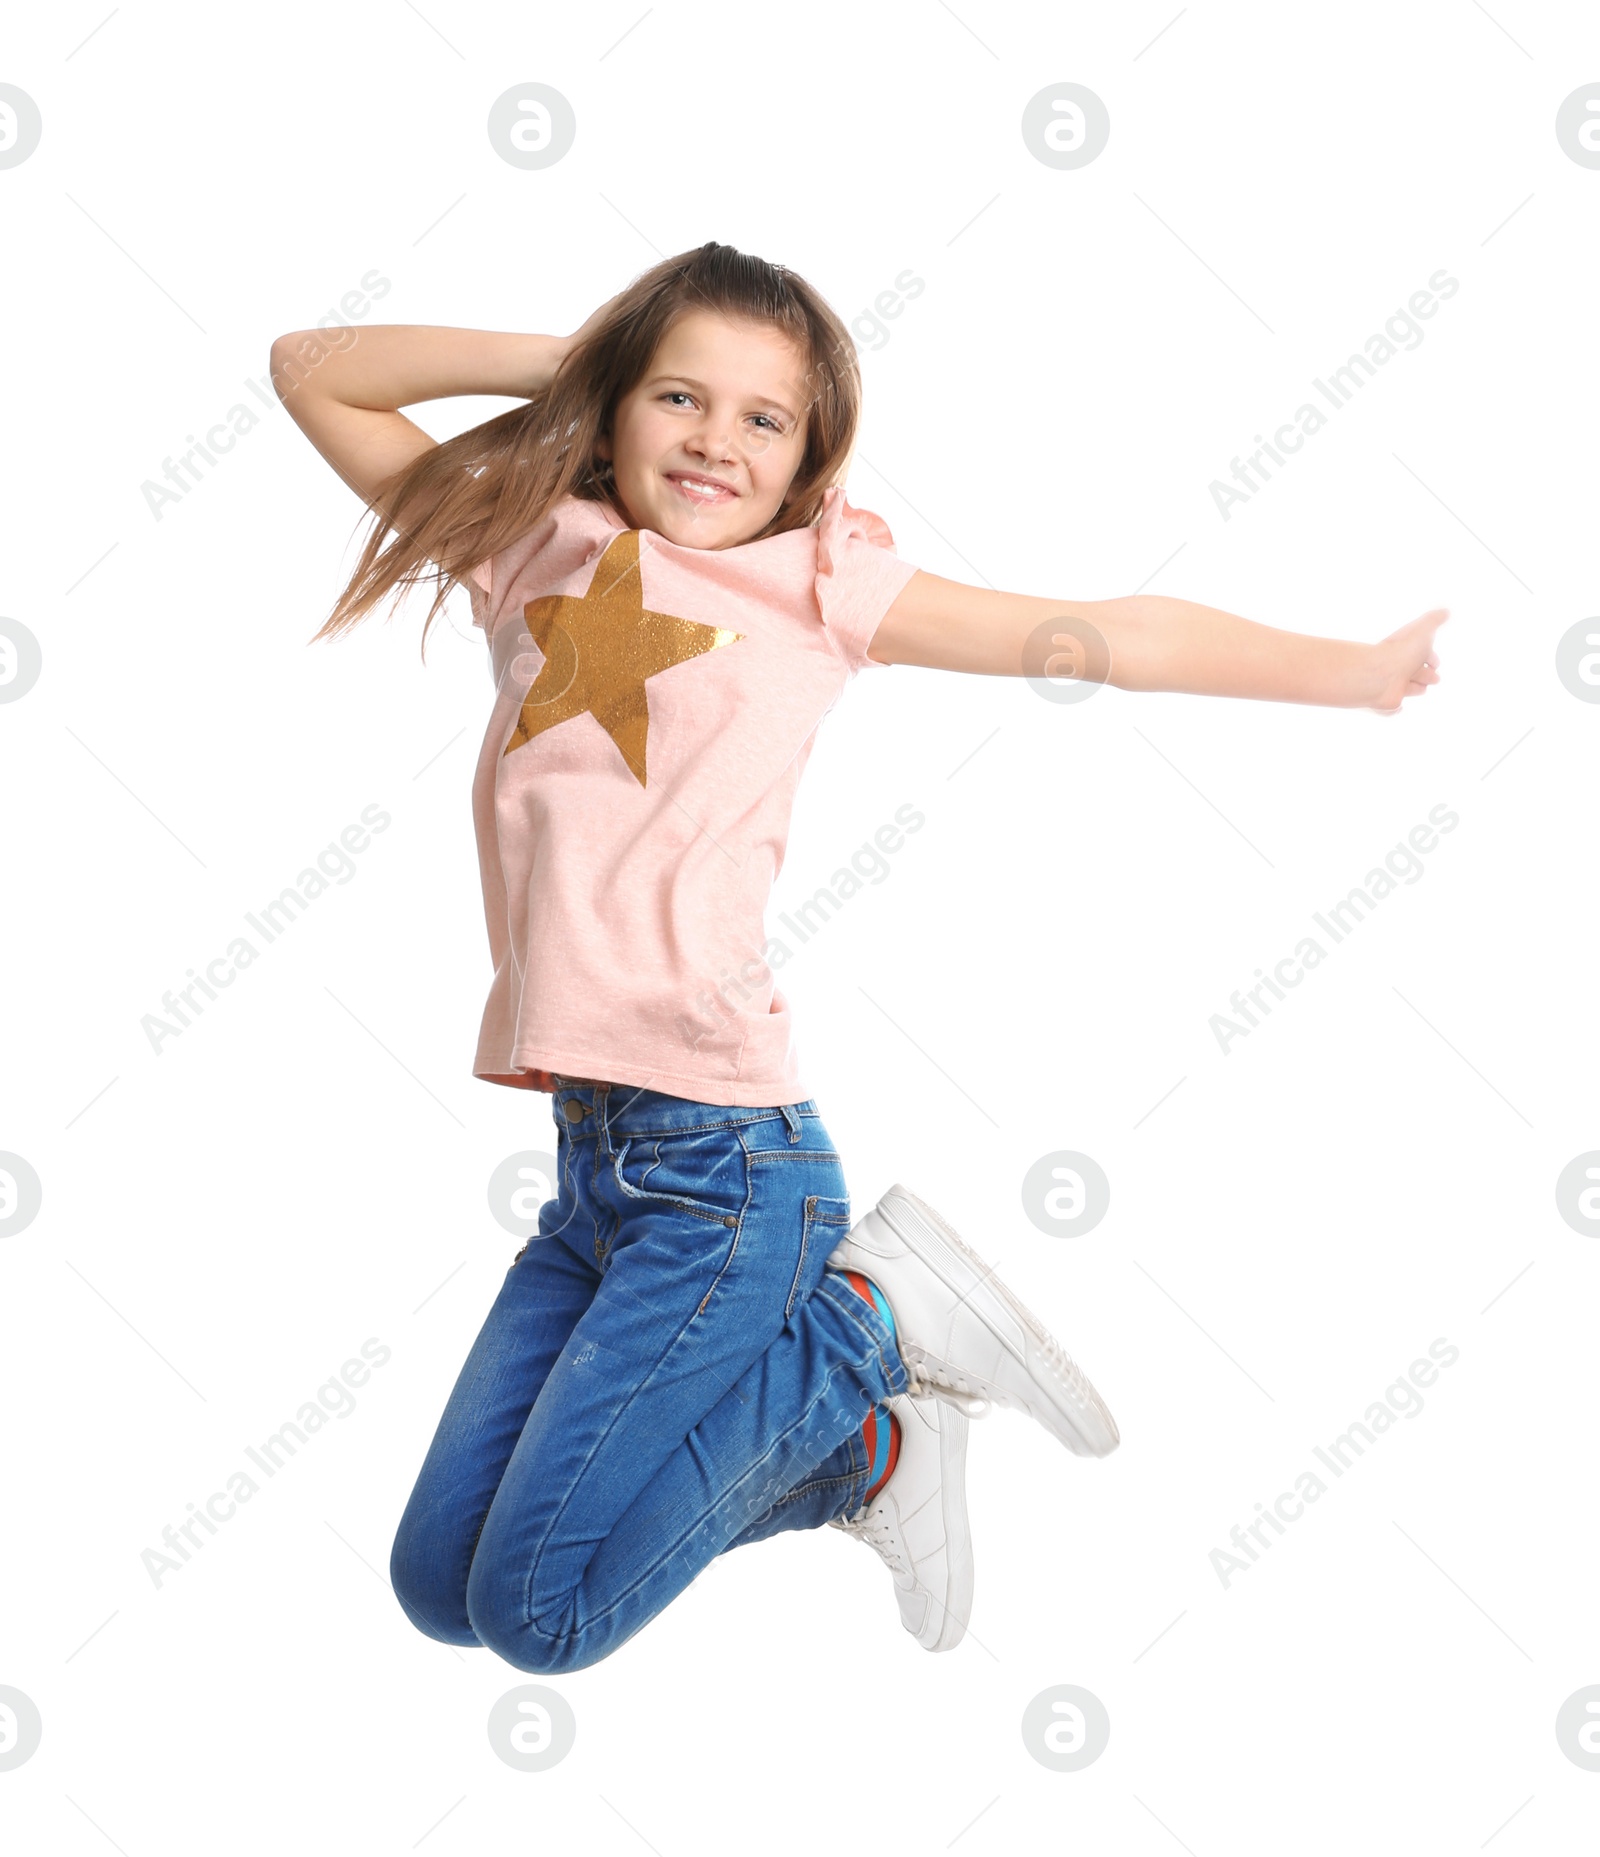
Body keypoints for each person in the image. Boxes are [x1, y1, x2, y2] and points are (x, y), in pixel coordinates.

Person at [269, 241, 1445, 1671]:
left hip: (724, 1169)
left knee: (542, 1615)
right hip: (598, 1172)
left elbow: (1101, 636)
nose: (714, 440)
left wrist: (1353, 669)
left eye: (764, 418)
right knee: (438, 1586)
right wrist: (569, 355)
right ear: (620, 400)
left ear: (809, 452)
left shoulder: (819, 582)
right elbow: (310, 371)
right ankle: (862, 1453)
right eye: (677, 396)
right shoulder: (528, 539)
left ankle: (865, 1329)